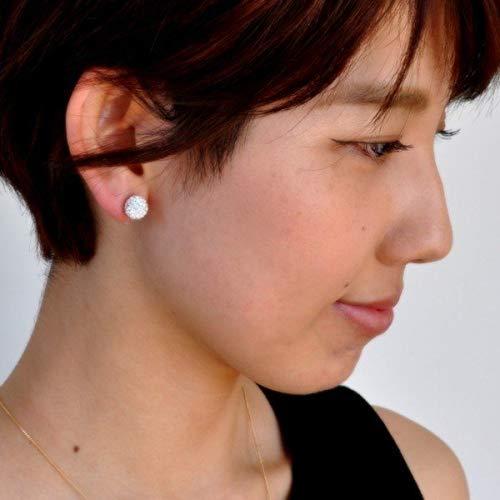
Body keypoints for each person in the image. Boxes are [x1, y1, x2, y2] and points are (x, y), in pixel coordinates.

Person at [0, 1, 498, 498]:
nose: (434, 237)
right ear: (121, 141)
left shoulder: (417, 480)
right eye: (378, 144)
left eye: (437, 134)